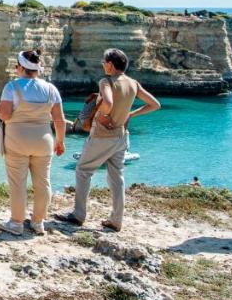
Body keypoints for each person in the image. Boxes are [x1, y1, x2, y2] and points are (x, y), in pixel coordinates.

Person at [55, 48, 160, 231]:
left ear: (110, 65)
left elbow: (109, 103)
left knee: (83, 170)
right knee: (116, 177)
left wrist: (103, 115)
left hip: (102, 135)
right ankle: (116, 220)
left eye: (104, 62)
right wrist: (130, 114)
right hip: (121, 136)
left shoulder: (106, 81)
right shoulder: (133, 83)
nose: (103, 65)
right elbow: (155, 104)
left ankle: (79, 215)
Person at [0, 50, 66, 236]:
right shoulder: (50, 89)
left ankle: (16, 223)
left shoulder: (12, 87)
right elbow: (60, 120)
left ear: (21, 67)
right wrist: (60, 141)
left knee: (17, 183)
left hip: (17, 140)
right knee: (43, 182)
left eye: (16, 66)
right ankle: (38, 222)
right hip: (44, 141)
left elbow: (5, 114)